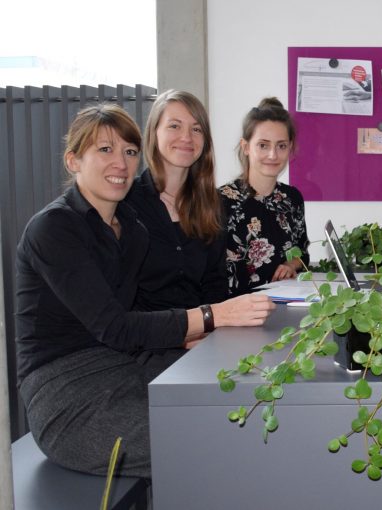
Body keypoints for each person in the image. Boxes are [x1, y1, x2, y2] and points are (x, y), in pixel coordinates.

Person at [15, 105, 275, 478]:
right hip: (66, 391)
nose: (120, 163)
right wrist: (209, 317)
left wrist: (190, 337)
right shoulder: (54, 229)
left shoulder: (131, 229)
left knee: (246, 401)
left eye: (129, 152)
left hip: (123, 365)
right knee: (214, 438)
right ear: (73, 160)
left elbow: (136, 317)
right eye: (104, 150)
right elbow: (116, 327)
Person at [125, 89, 227, 311]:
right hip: (143, 338)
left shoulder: (212, 203)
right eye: (174, 126)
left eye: (196, 129)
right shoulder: (126, 201)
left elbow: (215, 283)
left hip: (201, 336)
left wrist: (209, 330)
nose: (187, 137)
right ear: (154, 132)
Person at [219, 97, 310, 296]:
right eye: (263, 145)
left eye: (281, 146)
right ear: (246, 147)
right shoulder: (221, 201)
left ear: (290, 148)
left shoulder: (292, 198)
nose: (273, 155)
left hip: (285, 308)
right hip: (235, 315)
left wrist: (291, 265)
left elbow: (302, 253)